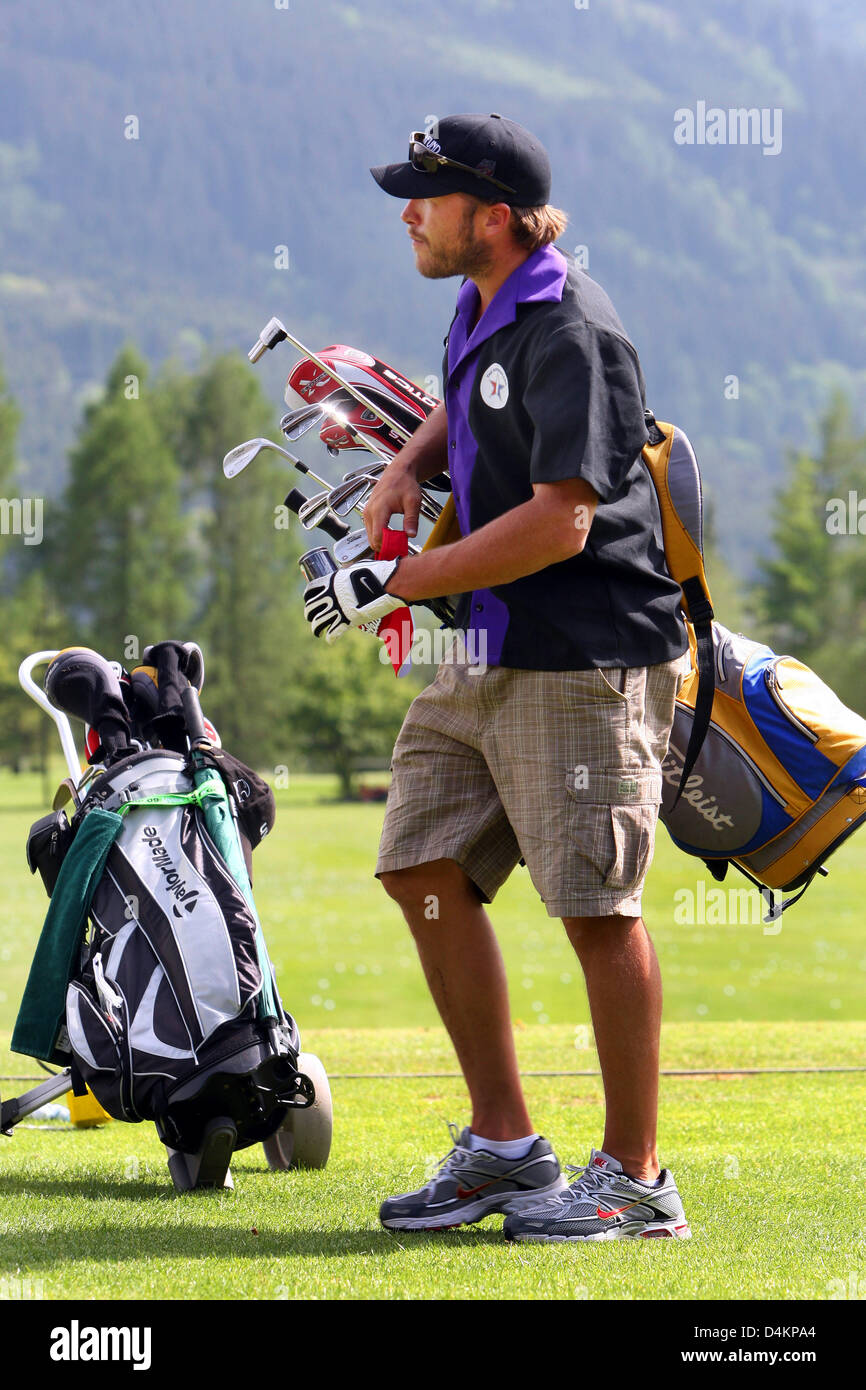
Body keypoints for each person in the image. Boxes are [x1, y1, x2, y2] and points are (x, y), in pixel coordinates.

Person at [302, 113, 692, 1242]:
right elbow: (461, 400)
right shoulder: (480, 303)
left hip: (585, 657)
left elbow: (561, 522)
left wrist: (398, 578)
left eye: (426, 197)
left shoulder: (573, 330)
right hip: (480, 646)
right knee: (418, 860)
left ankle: (634, 1177)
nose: (407, 215)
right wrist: (410, 465)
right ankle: (507, 1149)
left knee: (593, 911)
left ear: (496, 215)